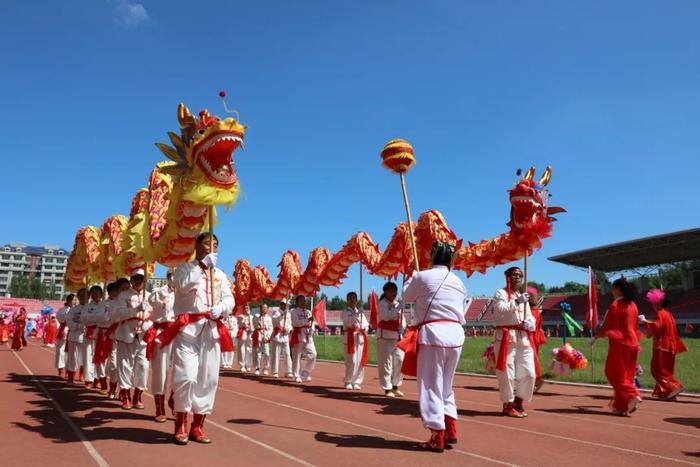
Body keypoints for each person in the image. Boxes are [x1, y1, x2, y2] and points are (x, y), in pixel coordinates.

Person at [158, 232, 235, 445]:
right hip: (188, 330)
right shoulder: (185, 269)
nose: (212, 247)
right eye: (207, 243)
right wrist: (201, 267)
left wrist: (222, 307)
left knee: (208, 379)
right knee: (187, 377)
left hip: (211, 331)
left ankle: (197, 426)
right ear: (197, 246)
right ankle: (181, 422)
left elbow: (230, 299)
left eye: (216, 244)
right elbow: (181, 286)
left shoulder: (220, 274)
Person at [403, 241, 467, 453]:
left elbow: (406, 296)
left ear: (432, 257)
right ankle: (451, 429)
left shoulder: (422, 276)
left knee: (430, 385)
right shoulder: (458, 281)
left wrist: (411, 277)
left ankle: (436, 434)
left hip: (433, 335)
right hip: (456, 336)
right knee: (446, 386)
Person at [590, 277, 642, 416]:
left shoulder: (615, 305)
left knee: (613, 373)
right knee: (626, 374)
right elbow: (635, 326)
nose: (612, 291)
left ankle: (632, 394)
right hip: (633, 343)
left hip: (620, 344)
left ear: (618, 289)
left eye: (613, 288)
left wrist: (595, 337)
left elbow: (607, 326)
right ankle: (622, 406)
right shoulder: (633, 305)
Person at [492, 267, 536, 418]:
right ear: (507, 277)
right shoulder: (500, 293)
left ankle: (519, 400)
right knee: (507, 373)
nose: (517, 277)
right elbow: (501, 309)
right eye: (514, 275)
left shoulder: (522, 297)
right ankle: (508, 404)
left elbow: (530, 316)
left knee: (530, 373)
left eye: (520, 275)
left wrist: (530, 323)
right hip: (506, 337)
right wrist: (517, 301)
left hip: (523, 337)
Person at [112, 270, 153, 410]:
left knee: (143, 366)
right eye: (135, 278)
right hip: (126, 333)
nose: (138, 281)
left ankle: (138, 394)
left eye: (141, 278)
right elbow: (120, 314)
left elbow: (154, 314)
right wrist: (136, 309)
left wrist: (150, 324)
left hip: (144, 334)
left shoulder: (150, 296)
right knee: (125, 365)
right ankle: (125, 395)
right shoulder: (123, 295)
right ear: (131, 279)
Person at [640, 289, 687, 400]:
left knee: (657, 369)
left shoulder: (661, 313)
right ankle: (665, 392)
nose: (653, 307)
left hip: (662, 345)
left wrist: (645, 321)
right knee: (667, 370)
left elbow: (657, 326)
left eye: (653, 304)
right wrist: (649, 332)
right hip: (671, 346)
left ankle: (673, 387)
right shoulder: (669, 314)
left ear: (658, 303)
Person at [147, 269, 176, 423]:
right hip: (163, 333)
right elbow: (152, 301)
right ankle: (159, 407)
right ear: (168, 278)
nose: (176, 279)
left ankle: (175, 400)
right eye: (173, 276)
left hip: (180, 333)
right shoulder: (159, 291)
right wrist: (162, 296)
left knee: (182, 370)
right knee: (161, 371)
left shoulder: (185, 292)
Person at [376, 281, 405, 398]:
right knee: (386, 363)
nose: (394, 293)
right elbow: (386, 316)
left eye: (395, 291)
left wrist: (402, 329)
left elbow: (402, 319)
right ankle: (387, 388)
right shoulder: (382, 303)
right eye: (391, 291)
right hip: (385, 336)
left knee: (400, 360)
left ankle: (395, 385)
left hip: (397, 337)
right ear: (386, 292)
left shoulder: (398, 303)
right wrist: (398, 308)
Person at [93, 283, 118, 396]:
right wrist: (109, 315)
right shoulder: (103, 304)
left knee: (114, 362)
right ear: (110, 292)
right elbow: (98, 318)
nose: (117, 293)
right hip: (103, 333)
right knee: (101, 359)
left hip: (117, 334)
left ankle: (113, 386)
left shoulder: (121, 303)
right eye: (114, 291)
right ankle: (103, 384)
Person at [343, 291, 369, 390]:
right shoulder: (345, 312)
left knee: (359, 361)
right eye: (350, 298)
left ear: (356, 300)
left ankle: (357, 381)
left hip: (360, 338)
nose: (352, 300)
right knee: (352, 361)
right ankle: (348, 381)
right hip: (350, 338)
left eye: (354, 298)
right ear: (347, 300)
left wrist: (363, 328)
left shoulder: (360, 312)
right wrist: (357, 314)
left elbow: (366, 324)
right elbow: (349, 323)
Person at [81, 285, 104, 389]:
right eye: (93, 293)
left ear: (101, 294)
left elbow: (105, 318)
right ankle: (88, 380)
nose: (95, 295)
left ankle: (97, 379)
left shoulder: (105, 305)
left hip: (100, 333)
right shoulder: (87, 306)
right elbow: (84, 319)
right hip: (89, 332)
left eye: (97, 293)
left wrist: (93, 318)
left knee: (99, 356)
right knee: (88, 356)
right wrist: (96, 318)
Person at [290, 295, 317, 383]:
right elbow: (296, 323)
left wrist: (311, 330)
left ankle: (305, 372)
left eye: (304, 300)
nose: (303, 302)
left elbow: (312, 323)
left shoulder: (309, 312)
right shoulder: (293, 312)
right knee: (297, 356)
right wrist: (307, 321)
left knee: (313, 354)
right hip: (298, 335)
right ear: (297, 302)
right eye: (301, 300)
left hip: (308, 336)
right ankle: (297, 374)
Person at [66, 289, 88, 384]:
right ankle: (71, 375)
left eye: (85, 295)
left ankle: (82, 375)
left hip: (87, 337)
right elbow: (69, 322)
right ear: (78, 297)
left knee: (85, 358)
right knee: (72, 357)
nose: (83, 297)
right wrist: (79, 326)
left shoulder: (92, 309)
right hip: (74, 336)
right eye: (81, 295)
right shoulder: (73, 310)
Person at [527, 287, 546, 393]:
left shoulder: (532, 312)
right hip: (535, 337)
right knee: (532, 359)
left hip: (531, 337)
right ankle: (533, 380)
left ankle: (537, 379)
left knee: (532, 359)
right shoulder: (535, 311)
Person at [271, 299, 293, 378]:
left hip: (285, 336)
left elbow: (290, 324)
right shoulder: (276, 313)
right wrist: (282, 315)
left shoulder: (289, 314)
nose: (286, 306)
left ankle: (288, 371)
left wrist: (288, 329)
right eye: (284, 304)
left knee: (287, 354)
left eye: (287, 305)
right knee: (277, 354)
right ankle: (275, 371)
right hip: (278, 335)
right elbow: (275, 321)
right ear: (281, 304)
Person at [55, 294, 74, 378]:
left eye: (75, 300)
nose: (74, 302)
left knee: (71, 353)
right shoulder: (62, 310)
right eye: (73, 300)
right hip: (64, 330)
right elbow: (61, 318)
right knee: (61, 351)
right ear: (68, 301)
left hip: (74, 331)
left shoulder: (80, 309)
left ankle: (69, 370)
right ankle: (61, 369)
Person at [252, 303, 273, 375]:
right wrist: (259, 318)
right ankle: (257, 368)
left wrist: (268, 336)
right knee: (258, 353)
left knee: (267, 353)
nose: (264, 309)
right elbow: (255, 325)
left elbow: (270, 329)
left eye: (265, 308)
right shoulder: (256, 316)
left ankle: (265, 368)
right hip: (258, 336)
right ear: (260, 309)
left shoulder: (269, 318)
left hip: (265, 337)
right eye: (262, 308)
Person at [236, 305, 253, 373]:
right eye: (245, 308)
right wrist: (246, 318)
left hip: (250, 334)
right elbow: (241, 324)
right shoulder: (241, 316)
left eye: (248, 308)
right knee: (242, 349)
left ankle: (248, 364)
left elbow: (253, 325)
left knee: (249, 349)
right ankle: (242, 365)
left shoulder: (251, 317)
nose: (246, 309)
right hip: (243, 333)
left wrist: (249, 317)